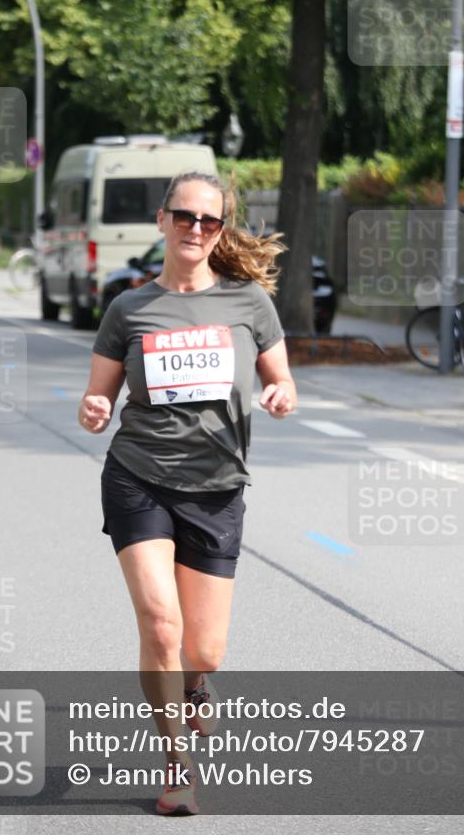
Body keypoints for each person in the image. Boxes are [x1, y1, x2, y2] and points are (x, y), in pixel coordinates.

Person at [78, 171, 297, 815]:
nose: (196, 229)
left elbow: (281, 378)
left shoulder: (249, 303)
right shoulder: (129, 308)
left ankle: (196, 682)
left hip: (216, 488)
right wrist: (93, 406)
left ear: (221, 229)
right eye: (184, 217)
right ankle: (177, 764)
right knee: (160, 623)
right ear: (162, 219)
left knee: (203, 648)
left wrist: (281, 394)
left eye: (209, 221)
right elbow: (99, 392)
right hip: (138, 476)